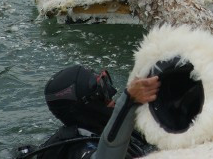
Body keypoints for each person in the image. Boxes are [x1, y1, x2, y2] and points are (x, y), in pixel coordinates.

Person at [15, 65, 159, 159]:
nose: (112, 92)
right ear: (88, 105)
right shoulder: (80, 149)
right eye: (102, 90)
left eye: (106, 81)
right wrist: (127, 102)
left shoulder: (105, 128)